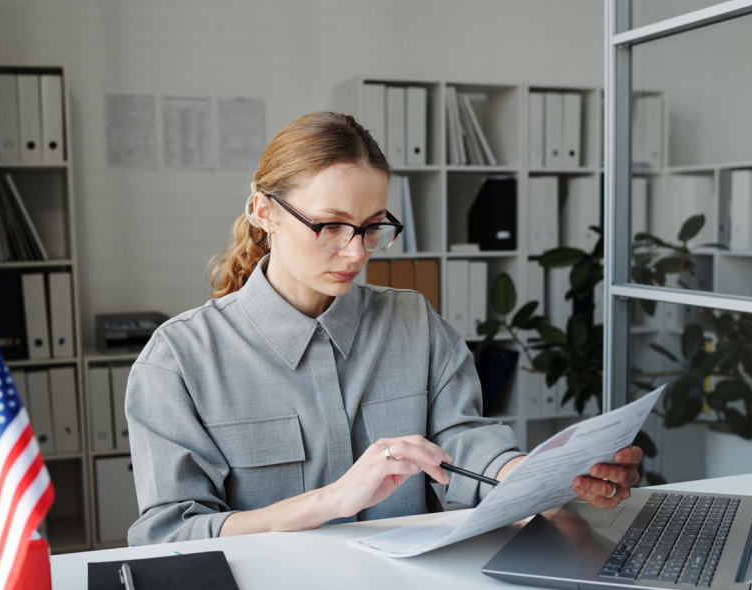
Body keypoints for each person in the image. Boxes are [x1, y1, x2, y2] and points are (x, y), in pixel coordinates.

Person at [125, 111, 641, 545]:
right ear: (265, 212)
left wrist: (543, 479)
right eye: (329, 226)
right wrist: (331, 501)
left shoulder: (414, 323)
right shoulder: (178, 359)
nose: (355, 253)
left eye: (372, 228)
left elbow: (461, 443)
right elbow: (171, 534)